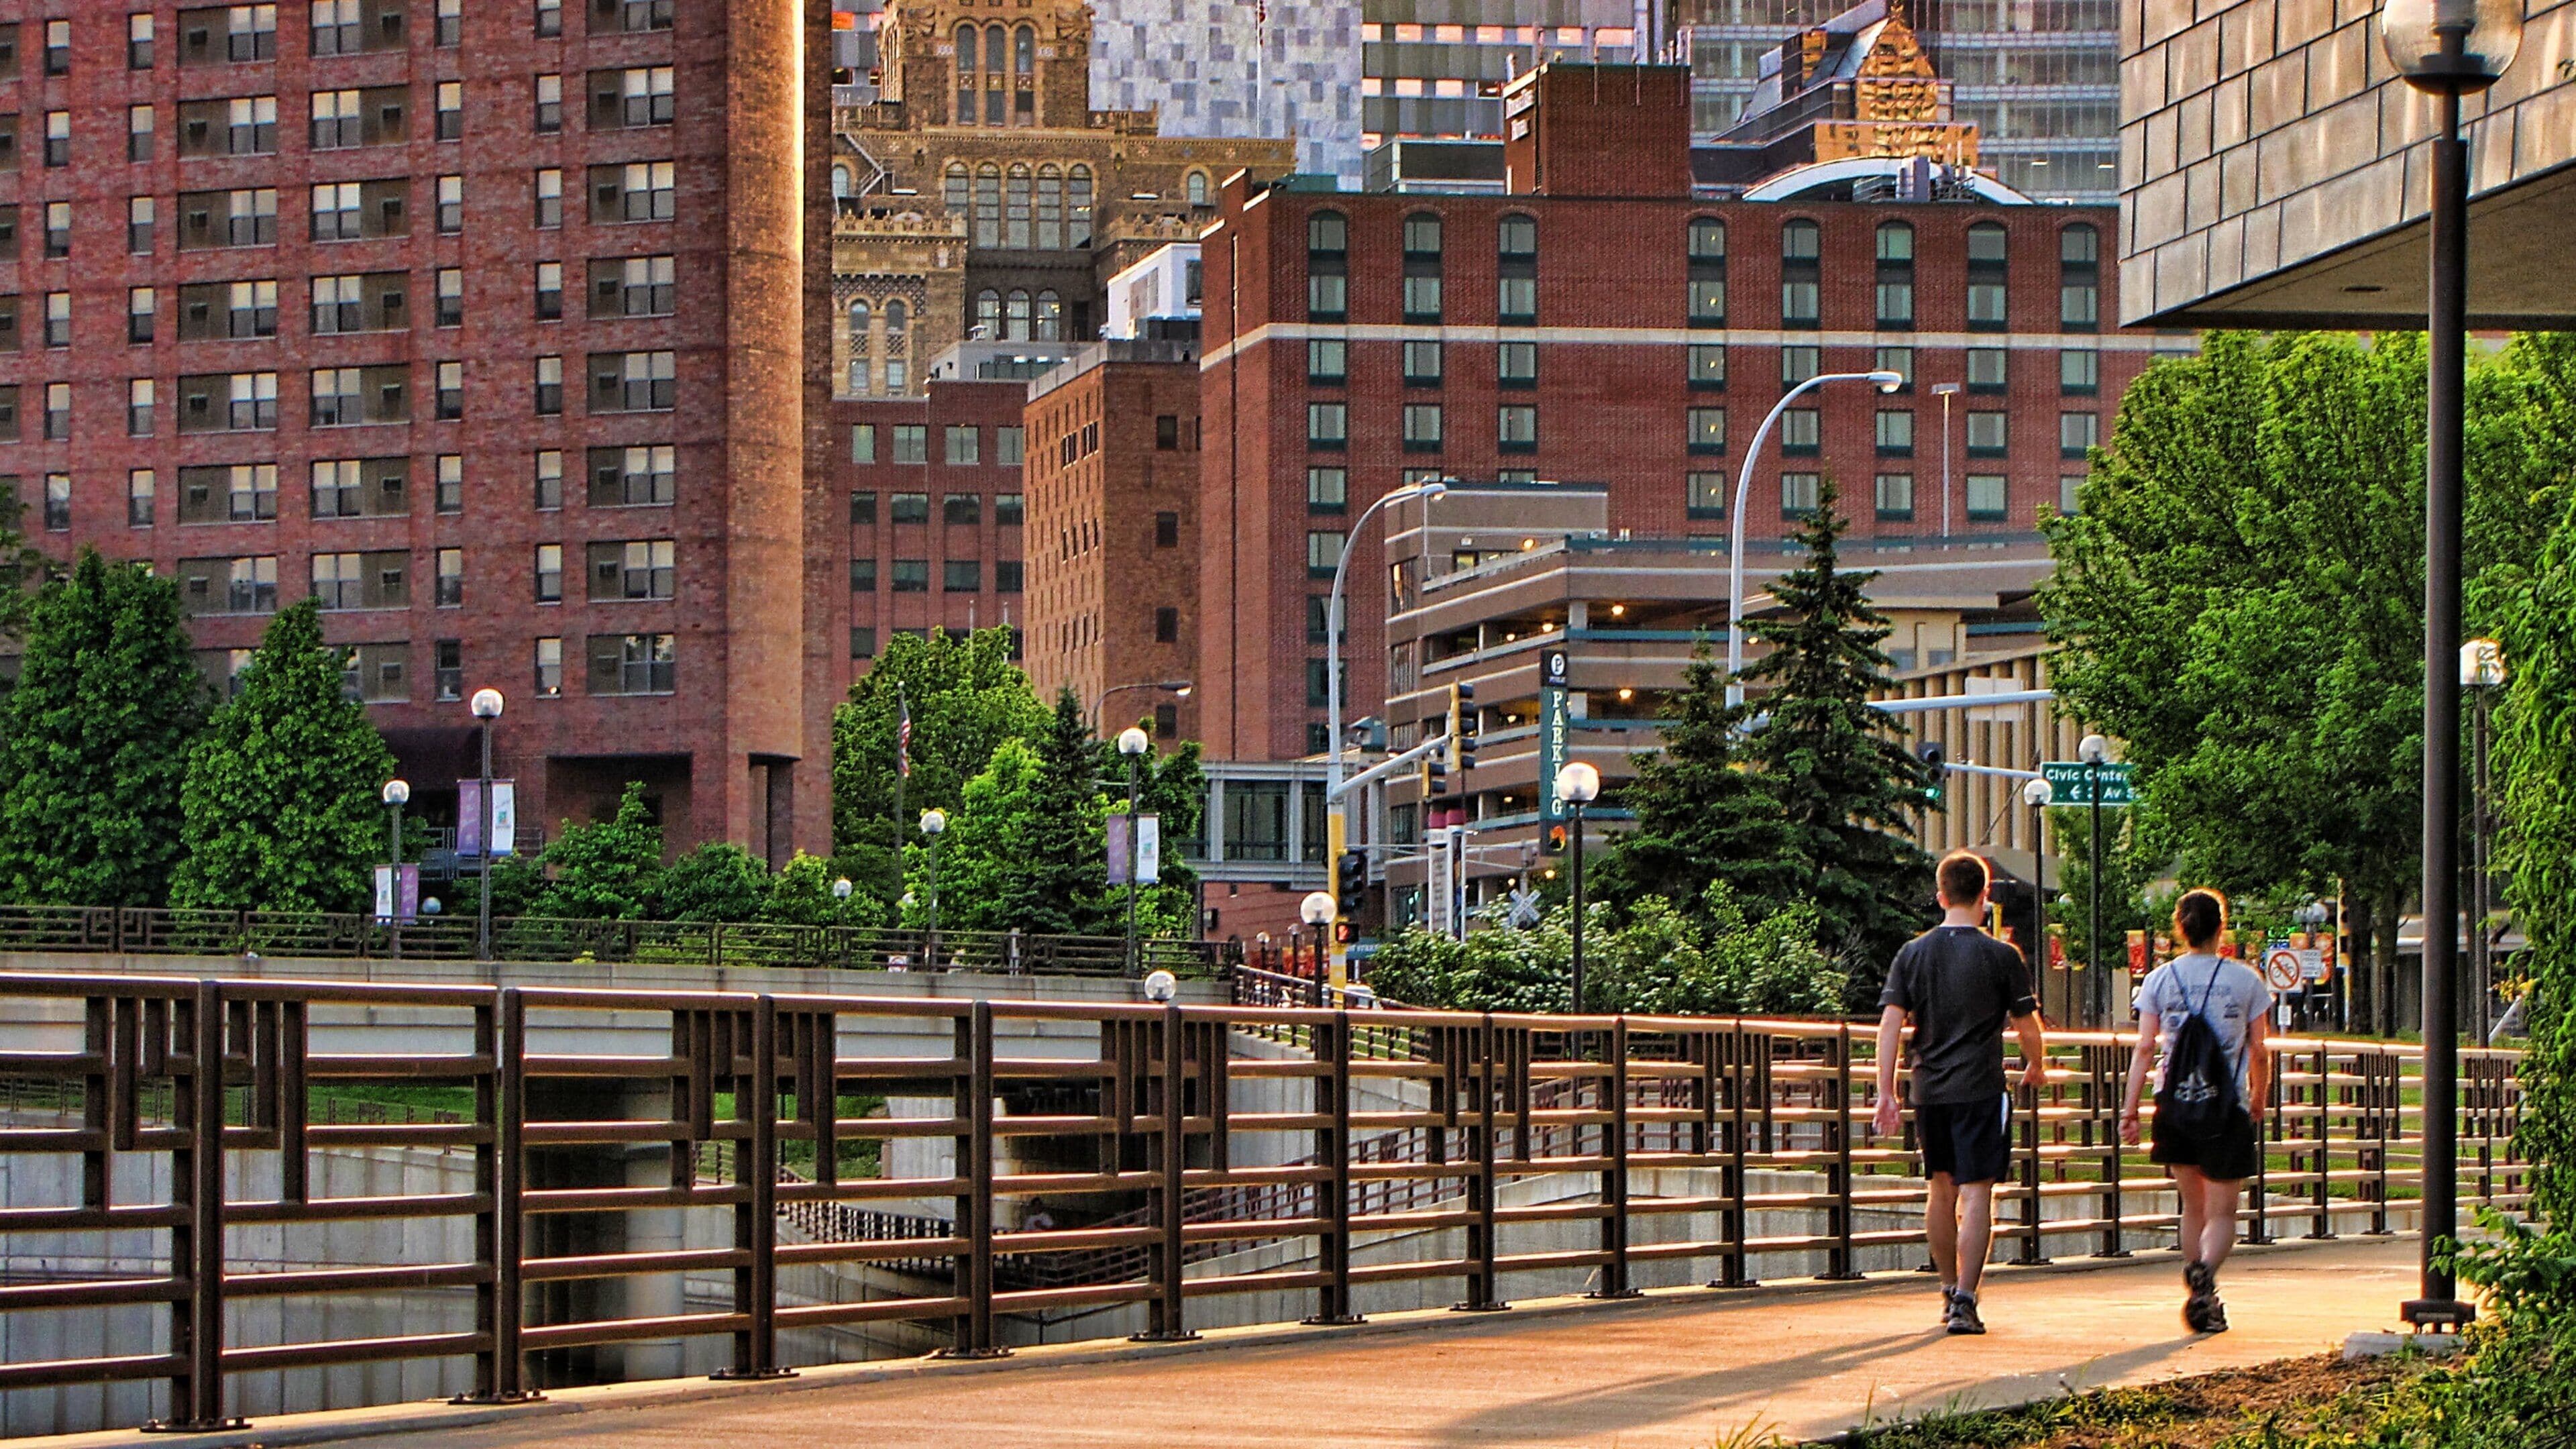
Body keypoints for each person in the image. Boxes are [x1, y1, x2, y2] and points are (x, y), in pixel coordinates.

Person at [1873, 851, 2047, 1336]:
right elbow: (2025, 1022)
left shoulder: (1913, 954)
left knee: (1940, 1188)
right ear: (1985, 895)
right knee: (1977, 1194)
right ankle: (1967, 1299)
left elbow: (1890, 1024)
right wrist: (2036, 1064)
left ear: (1941, 895)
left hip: (1929, 1089)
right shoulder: (2002, 956)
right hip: (1981, 1090)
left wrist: (1886, 1091)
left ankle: (1948, 1288)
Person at [2119, 888, 2271, 1334]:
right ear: (2221, 928)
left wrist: (2130, 1110)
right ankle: (2206, 1279)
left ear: (2180, 928)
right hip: (2227, 1108)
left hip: (2175, 1103)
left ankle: (2198, 1285)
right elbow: (2259, 1050)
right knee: (2223, 1211)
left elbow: (2145, 1048)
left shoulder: (2160, 981)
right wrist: (2258, 1097)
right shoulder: (2247, 981)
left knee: (2193, 1206)